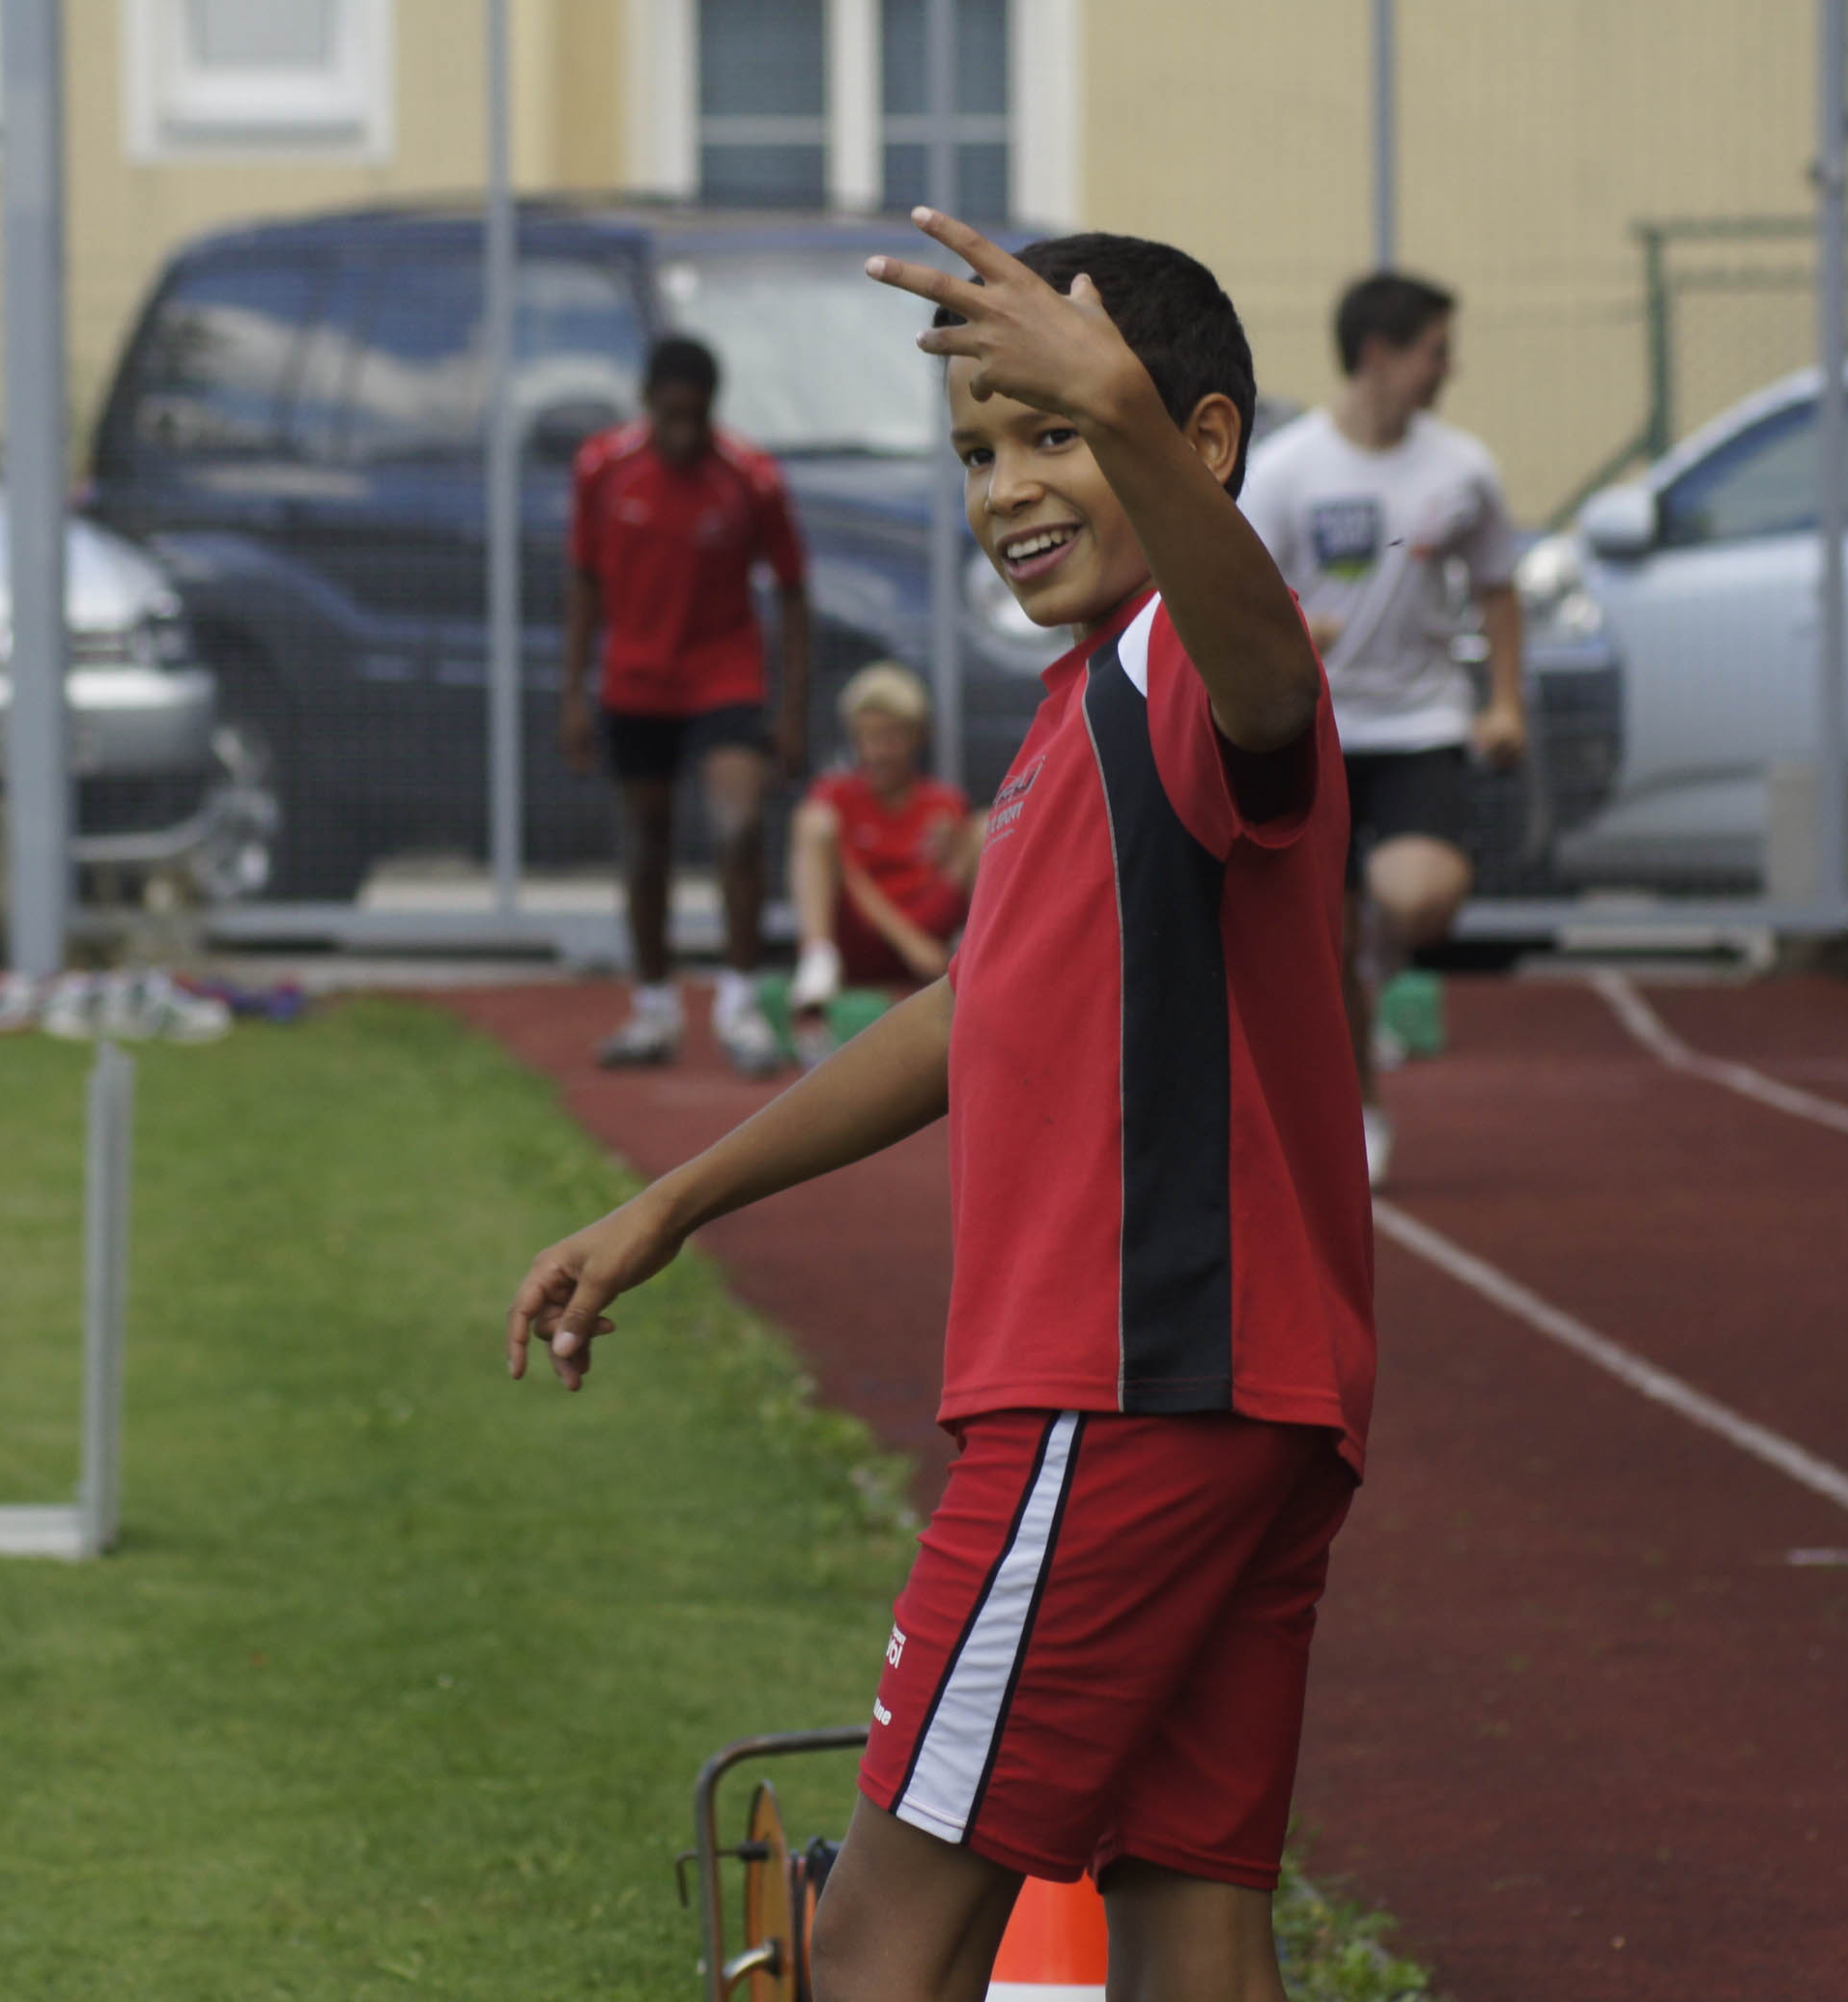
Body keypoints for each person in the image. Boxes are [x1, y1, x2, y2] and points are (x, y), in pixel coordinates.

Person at [509, 213, 1371, 2002]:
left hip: (1123, 1387)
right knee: (1194, 1925)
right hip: (1238, 1396)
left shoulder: (1194, 660)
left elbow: (1274, 676)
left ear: (1198, 440)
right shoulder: (1082, 706)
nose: (1008, 486)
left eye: (1055, 430)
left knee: (875, 1944)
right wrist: (670, 1203)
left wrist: (1115, 404)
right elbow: (965, 1015)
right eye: (979, 450)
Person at [1240, 272, 1523, 1188]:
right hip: (1313, 726)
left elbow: (1499, 586)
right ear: (1379, 355)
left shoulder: (1462, 468)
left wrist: (1506, 701)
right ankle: (1361, 1108)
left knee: (1421, 898)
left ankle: (1378, 949)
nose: (1449, 369)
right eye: (1436, 351)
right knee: (1321, 947)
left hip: (1420, 722)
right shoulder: (1287, 469)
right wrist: (1293, 632)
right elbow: (1238, 594)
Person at [562, 336, 812, 1075]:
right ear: (646, 403)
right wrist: (572, 692)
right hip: (636, 680)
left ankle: (739, 1007)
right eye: (670, 415)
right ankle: (654, 1010)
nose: (683, 432)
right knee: (646, 842)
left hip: (723, 677)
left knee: (740, 827)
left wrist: (791, 712)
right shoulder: (601, 468)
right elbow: (583, 581)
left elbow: (794, 594)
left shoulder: (751, 478)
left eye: (696, 418)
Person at [785, 661, 982, 1061]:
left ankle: (982, 960)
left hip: (928, 937)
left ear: (918, 737)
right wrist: (910, 943)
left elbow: (944, 894)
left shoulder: (944, 804)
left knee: (989, 825)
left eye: (891, 738)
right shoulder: (835, 796)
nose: (877, 752)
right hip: (862, 936)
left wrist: (954, 852)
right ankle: (817, 960)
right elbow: (849, 878)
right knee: (812, 822)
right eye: (867, 738)